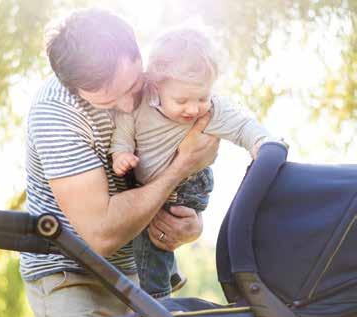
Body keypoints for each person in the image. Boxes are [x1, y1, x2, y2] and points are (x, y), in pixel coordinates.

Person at [21, 9, 219, 317]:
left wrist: (191, 225)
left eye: (132, 86)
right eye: (109, 100)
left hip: (136, 273)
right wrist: (180, 166)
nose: (129, 104)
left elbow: (187, 170)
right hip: (72, 275)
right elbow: (101, 234)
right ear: (76, 87)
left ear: (136, 53)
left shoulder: (160, 82)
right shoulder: (56, 113)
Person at [110, 27, 277, 298]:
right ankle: (170, 273)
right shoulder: (139, 105)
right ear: (155, 86)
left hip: (190, 185)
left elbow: (243, 126)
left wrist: (262, 144)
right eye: (182, 100)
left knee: (149, 233)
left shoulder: (212, 111)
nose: (193, 108)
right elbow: (123, 130)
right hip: (154, 180)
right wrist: (121, 154)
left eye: (202, 97)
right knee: (143, 216)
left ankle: (157, 298)